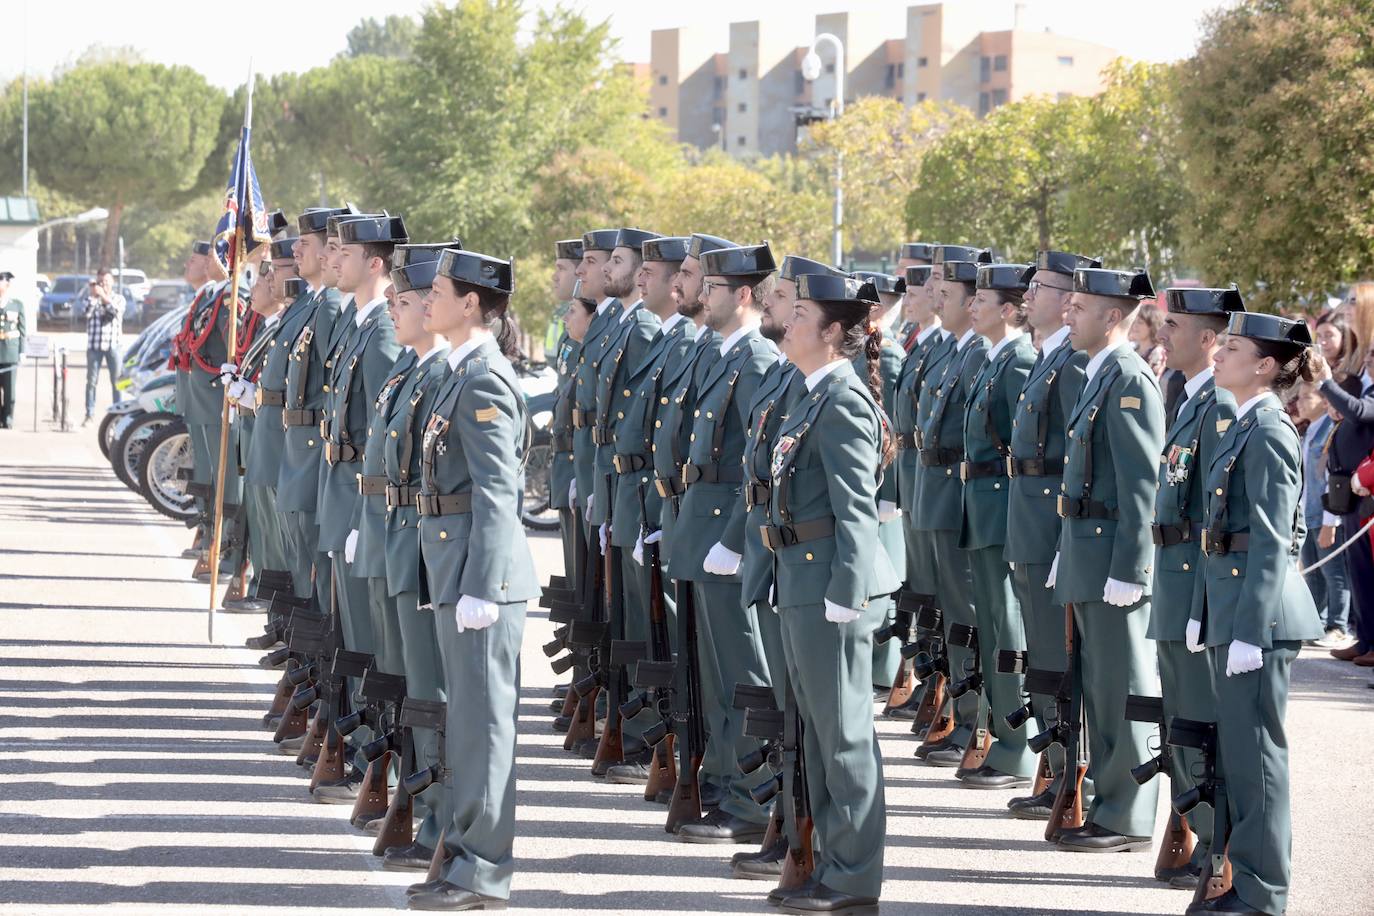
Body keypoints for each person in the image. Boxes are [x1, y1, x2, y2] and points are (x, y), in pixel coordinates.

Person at [763, 271, 900, 914]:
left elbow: (856, 510)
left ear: (833, 331)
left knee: (843, 736)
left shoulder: (842, 400)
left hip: (829, 587)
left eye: (801, 314)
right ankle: (828, 862)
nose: (788, 322)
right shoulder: (809, 394)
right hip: (800, 578)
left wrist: (848, 590)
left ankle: (854, 876)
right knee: (818, 735)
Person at [408, 247, 539, 912]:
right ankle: (459, 855)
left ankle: (482, 870)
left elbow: (496, 491)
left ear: (471, 303)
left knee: (484, 729)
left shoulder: (484, 379)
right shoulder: (458, 371)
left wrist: (483, 585)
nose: (427, 299)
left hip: (479, 575)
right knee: (465, 725)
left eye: (438, 291)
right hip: (454, 565)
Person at [1187, 309, 1323, 916]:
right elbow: (1217, 532)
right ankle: (1245, 880)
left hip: (1257, 618)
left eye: (1232, 348)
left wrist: (1249, 628)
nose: (1218, 354)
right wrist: (1202, 608)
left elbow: (1273, 540)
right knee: (1241, 756)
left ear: (1265, 365)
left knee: (1258, 757)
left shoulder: (1268, 429)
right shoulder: (1243, 422)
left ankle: (1263, 892)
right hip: (1233, 606)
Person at [1049, 266, 1164, 852]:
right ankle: (1107, 802)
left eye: (1079, 306)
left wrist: (1131, 567)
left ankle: (1128, 813)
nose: (1066, 313)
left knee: (1123, 686)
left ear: (1113, 316)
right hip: (1087, 550)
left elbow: (1142, 485)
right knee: (1100, 687)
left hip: (1112, 557)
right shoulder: (1099, 374)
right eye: (1067, 303)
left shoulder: (1128, 379)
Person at [675, 242, 779, 843]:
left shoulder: (757, 359)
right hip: (702, 523)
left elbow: (756, 464)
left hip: (726, 530)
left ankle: (756, 795)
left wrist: (737, 539)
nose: (703, 296)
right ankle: (723, 776)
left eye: (712, 287)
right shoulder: (725, 354)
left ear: (741, 294)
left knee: (744, 669)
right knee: (717, 672)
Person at [1146, 285, 1240, 888]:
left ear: (1208, 339)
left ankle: (1214, 844)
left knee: (1199, 718)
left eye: (1174, 325)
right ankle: (1193, 830)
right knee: (1179, 714)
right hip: (1174, 574)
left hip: (1193, 579)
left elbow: (1216, 514)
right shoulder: (1189, 397)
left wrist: (1203, 600)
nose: (1163, 333)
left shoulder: (1219, 405)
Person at [1001, 250, 1097, 818]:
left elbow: (1077, 461)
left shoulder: (1073, 363)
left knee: (1057, 658)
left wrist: (1065, 539)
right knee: (1042, 654)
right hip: (1029, 522)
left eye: (1040, 287)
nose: (1028, 295)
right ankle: (1056, 771)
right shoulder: (1048, 357)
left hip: (1049, 527)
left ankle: (1071, 775)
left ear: (1067, 301)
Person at [956, 262, 1036, 789]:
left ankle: (1018, 745)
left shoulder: (1018, 361)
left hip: (1003, 509)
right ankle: (1001, 738)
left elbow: (1023, 449)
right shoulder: (994, 357)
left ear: (1008, 309)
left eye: (982, 300)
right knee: (991, 627)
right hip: (982, 508)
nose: (972, 306)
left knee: (1008, 631)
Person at [913, 247, 989, 769]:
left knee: (969, 616)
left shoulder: (979, 353)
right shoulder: (954, 349)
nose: (937, 296)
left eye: (948, 290)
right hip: (937, 491)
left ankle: (973, 721)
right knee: (951, 615)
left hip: (961, 498)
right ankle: (960, 714)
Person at [1311, 333, 1374, 665]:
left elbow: (1360, 412)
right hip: (1350, 496)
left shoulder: (1368, 396)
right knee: (1359, 573)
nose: (1369, 358)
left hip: (1367, 496)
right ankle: (1365, 639)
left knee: (1368, 573)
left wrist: (1326, 383)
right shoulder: (1365, 388)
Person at [1291, 382, 1353, 648]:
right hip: (1308, 513)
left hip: (1326, 513)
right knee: (1313, 573)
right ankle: (1316, 621)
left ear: (1324, 400)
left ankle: (1338, 625)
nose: (1300, 402)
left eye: (1308, 397)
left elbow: (1331, 479)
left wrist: (1331, 521)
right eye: (1300, 397)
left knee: (1333, 571)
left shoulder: (1331, 429)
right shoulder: (1310, 430)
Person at [83, 267, 126, 424]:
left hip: (113, 346)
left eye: (106, 281)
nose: (103, 284)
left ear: (112, 282)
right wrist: (95, 296)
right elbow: (86, 313)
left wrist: (103, 296)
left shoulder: (119, 298)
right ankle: (89, 414)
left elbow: (116, 311)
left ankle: (118, 416)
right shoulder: (90, 299)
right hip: (94, 346)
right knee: (91, 382)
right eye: (100, 281)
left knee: (117, 382)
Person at [1313, 311, 1362, 396]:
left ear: (1344, 337)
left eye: (1329, 335)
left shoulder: (1354, 368)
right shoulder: (1316, 366)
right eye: (1319, 336)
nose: (1323, 342)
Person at [0, 271, 26, 429]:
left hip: (10, 352)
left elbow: (22, 330)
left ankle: (8, 418)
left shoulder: (17, 304)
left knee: (9, 390)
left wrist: (22, 351)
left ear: (7, 284)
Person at [1130, 301, 1167, 379]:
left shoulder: (1157, 352)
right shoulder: (1132, 349)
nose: (1135, 326)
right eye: (1134, 321)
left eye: (1140, 322)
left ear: (1152, 325)